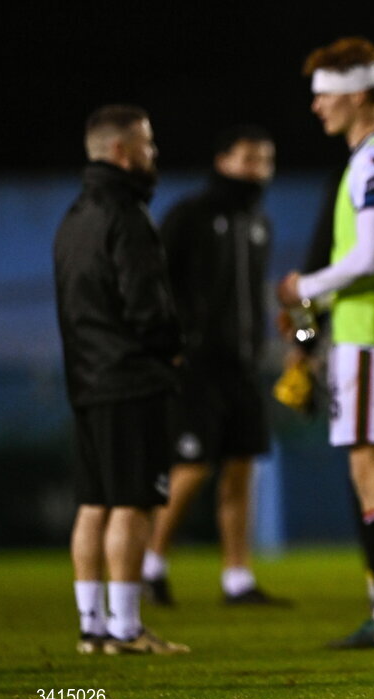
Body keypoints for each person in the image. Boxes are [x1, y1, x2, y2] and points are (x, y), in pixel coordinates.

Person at [277, 37, 374, 647]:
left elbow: (369, 256)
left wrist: (303, 286)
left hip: (369, 336)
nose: (318, 106)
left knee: (373, 474)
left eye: (328, 94)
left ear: (363, 94)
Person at [54, 104, 188, 654]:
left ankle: (92, 627)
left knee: (94, 503)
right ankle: (127, 629)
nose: (153, 154)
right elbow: (146, 307)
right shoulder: (127, 216)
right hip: (131, 379)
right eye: (148, 144)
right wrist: (171, 350)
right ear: (121, 152)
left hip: (86, 381)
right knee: (132, 501)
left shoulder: (74, 216)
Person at [140, 125, 288, 606]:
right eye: (248, 158)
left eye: (264, 160)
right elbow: (157, 281)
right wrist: (173, 343)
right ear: (222, 160)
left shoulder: (259, 221)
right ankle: (151, 562)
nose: (257, 169)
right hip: (197, 365)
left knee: (242, 467)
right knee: (192, 466)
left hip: (244, 365)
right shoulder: (190, 215)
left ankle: (237, 577)